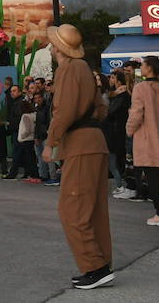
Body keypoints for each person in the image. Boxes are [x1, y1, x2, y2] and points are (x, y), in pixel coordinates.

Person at [41, 23, 112, 291]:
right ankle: (101, 263)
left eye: (52, 43)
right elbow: (101, 108)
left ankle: (95, 267)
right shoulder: (84, 69)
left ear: (58, 47)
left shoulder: (68, 69)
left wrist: (51, 142)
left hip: (80, 144)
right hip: (95, 141)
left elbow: (64, 111)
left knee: (72, 209)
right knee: (94, 210)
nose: (49, 46)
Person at [127, 56, 159, 227]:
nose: (141, 68)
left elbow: (137, 113)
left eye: (143, 65)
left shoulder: (141, 87)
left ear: (149, 68)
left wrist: (129, 129)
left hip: (147, 139)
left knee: (154, 180)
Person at [105, 71, 133, 199]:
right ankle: (121, 185)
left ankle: (123, 185)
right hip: (114, 130)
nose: (110, 80)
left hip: (120, 130)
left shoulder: (123, 96)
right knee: (115, 159)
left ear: (118, 80)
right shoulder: (115, 95)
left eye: (112, 77)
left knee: (119, 159)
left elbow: (111, 112)